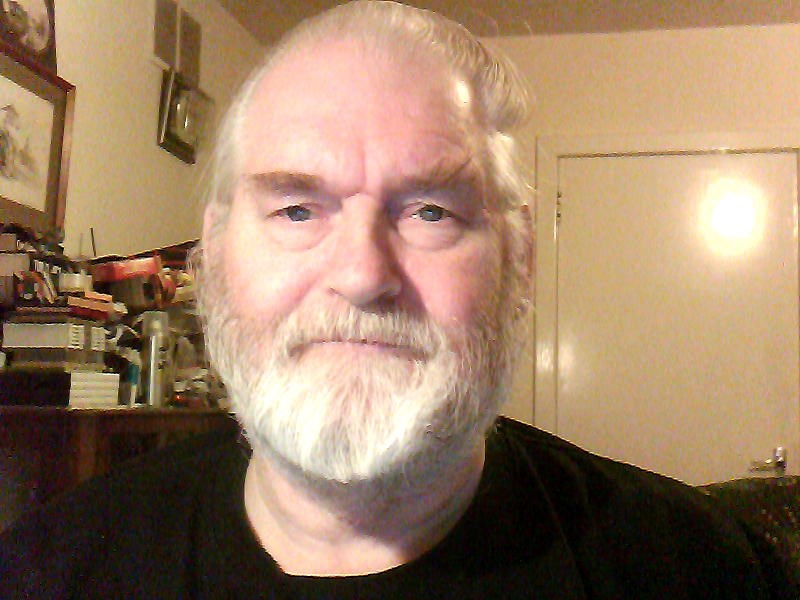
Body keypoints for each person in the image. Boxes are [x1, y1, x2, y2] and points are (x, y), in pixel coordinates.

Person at [0, 2, 792, 598]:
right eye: (297, 210)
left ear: (517, 259)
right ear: (214, 255)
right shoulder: (46, 571)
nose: (363, 274)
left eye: (430, 212)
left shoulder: (701, 571)